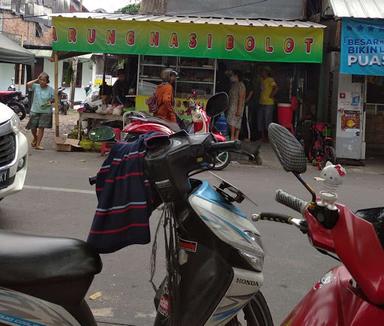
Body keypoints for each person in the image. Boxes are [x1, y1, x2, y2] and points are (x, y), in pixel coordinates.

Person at [26, 72, 54, 150]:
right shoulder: (36, 86)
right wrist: (36, 79)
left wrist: (50, 102)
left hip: (46, 111)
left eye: (44, 80)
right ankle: (35, 137)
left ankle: (38, 144)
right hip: (35, 110)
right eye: (40, 80)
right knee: (33, 127)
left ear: (47, 81)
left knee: (41, 128)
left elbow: (54, 99)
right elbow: (28, 84)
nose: (42, 81)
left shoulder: (50, 89)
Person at [258, 66, 278, 141]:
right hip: (261, 102)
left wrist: (271, 95)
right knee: (261, 120)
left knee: (267, 121)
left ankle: (269, 138)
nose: (262, 73)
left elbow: (276, 88)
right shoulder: (262, 80)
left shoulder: (270, 80)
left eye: (263, 72)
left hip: (269, 103)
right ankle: (262, 137)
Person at [227, 70, 246, 141]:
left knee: (235, 122)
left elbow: (241, 98)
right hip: (232, 106)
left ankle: (234, 137)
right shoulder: (234, 84)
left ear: (237, 76)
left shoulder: (241, 85)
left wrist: (238, 109)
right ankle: (233, 137)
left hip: (237, 106)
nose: (231, 77)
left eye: (233, 75)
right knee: (232, 122)